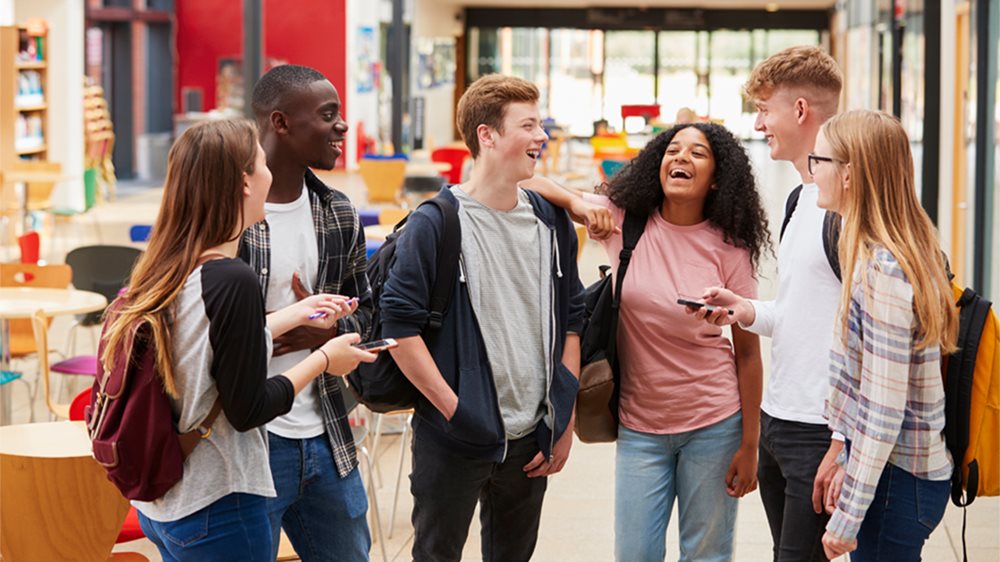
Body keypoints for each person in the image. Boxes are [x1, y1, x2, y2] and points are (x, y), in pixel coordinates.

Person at [103, 119, 376, 561]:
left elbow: (205, 349)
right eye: (263, 164)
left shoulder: (171, 267)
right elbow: (249, 408)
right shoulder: (233, 279)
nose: (272, 174)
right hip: (219, 501)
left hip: (168, 503)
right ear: (244, 183)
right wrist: (325, 359)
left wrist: (298, 312)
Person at [526, 121, 770, 561]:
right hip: (640, 426)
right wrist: (578, 205)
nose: (681, 158)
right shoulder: (625, 222)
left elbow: (748, 354)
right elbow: (528, 180)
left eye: (697, 154)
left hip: (714, 422)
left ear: (716, 179)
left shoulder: (730, 248)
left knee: (707, 555)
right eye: (673, 150)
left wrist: (750, 445)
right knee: (635, 554)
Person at [379, 74, 585, 562]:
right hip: (454, 437)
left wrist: (563, 416)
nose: (542, 136)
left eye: (541, 124)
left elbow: (573, 321)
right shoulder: (436, 223)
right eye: (529, 125)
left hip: (532, 438)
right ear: (487, 136)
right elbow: (399, 330)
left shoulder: (552, 222)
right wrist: (457, 413)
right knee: (436, 554)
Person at [699, 45, 846, 562]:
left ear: (800, 110)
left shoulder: (846, 210)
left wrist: (843, 443)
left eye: (765, 109)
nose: (759, 123)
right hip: (780, 419)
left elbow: (871, 333)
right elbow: (801, 311)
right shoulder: (801, 198)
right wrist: (746, 308)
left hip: (821, 428)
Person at [242, 64, 375, 561]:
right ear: (279, 122)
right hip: (249, 443)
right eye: (328, 115)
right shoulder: (229, 215)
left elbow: (369, 317)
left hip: (325, 434)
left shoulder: (338, 212)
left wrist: (324, 333)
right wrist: (281, 320)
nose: (342, 126)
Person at [811, 110, 957, 560]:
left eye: (820, 160)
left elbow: (883, 408)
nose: (813, 171)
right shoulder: (891, 252)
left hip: (898, 483)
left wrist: (849, 515)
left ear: (850, 174)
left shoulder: (884, 270)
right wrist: (843, 454)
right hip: (897, 475)